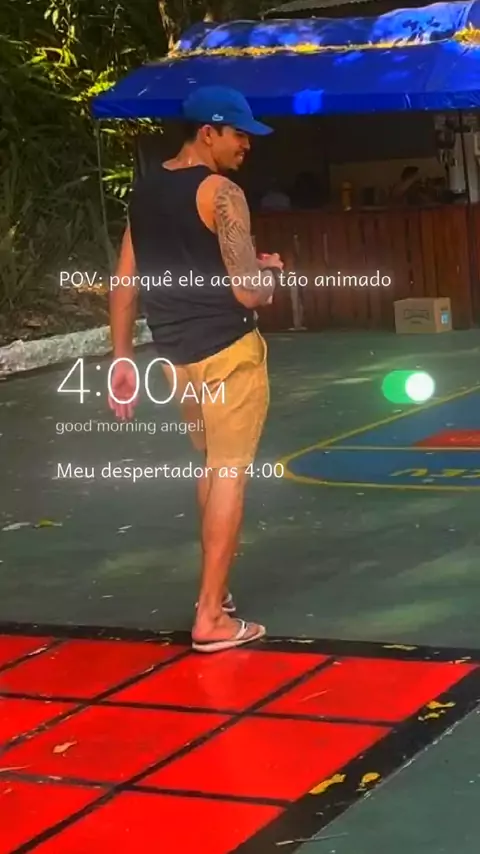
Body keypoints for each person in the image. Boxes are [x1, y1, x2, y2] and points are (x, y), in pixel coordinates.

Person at [108, 86, 284, 652]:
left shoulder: (146, 191)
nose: (246, 146)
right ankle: (210, 617)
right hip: (229, 353)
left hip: (176, 359)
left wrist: (121, 358)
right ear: (208, 132)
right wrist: (270, 274)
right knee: (229, 474)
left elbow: (124, 283)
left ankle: (218, 592)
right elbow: (248, 292)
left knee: (210, 468)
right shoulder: (223, 192)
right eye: (239, 134)